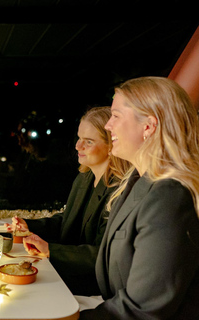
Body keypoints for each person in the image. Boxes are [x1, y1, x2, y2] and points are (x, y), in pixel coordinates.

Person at [80, 77, 199, 319]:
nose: (108, 126)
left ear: (148, 126)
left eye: (116, 116)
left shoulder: (169, 197)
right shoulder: (136, 182)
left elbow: (143, 309)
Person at [8, 106, 130, 295]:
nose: (77, 146)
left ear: (111, 146)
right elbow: (67, 220)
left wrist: (51, 251)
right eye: (79, 138)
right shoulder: (85, 176)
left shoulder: (119, 191)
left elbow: (104, 254)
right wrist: (29, 226)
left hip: (94, 286)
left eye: (88, 142)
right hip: (68, 273)